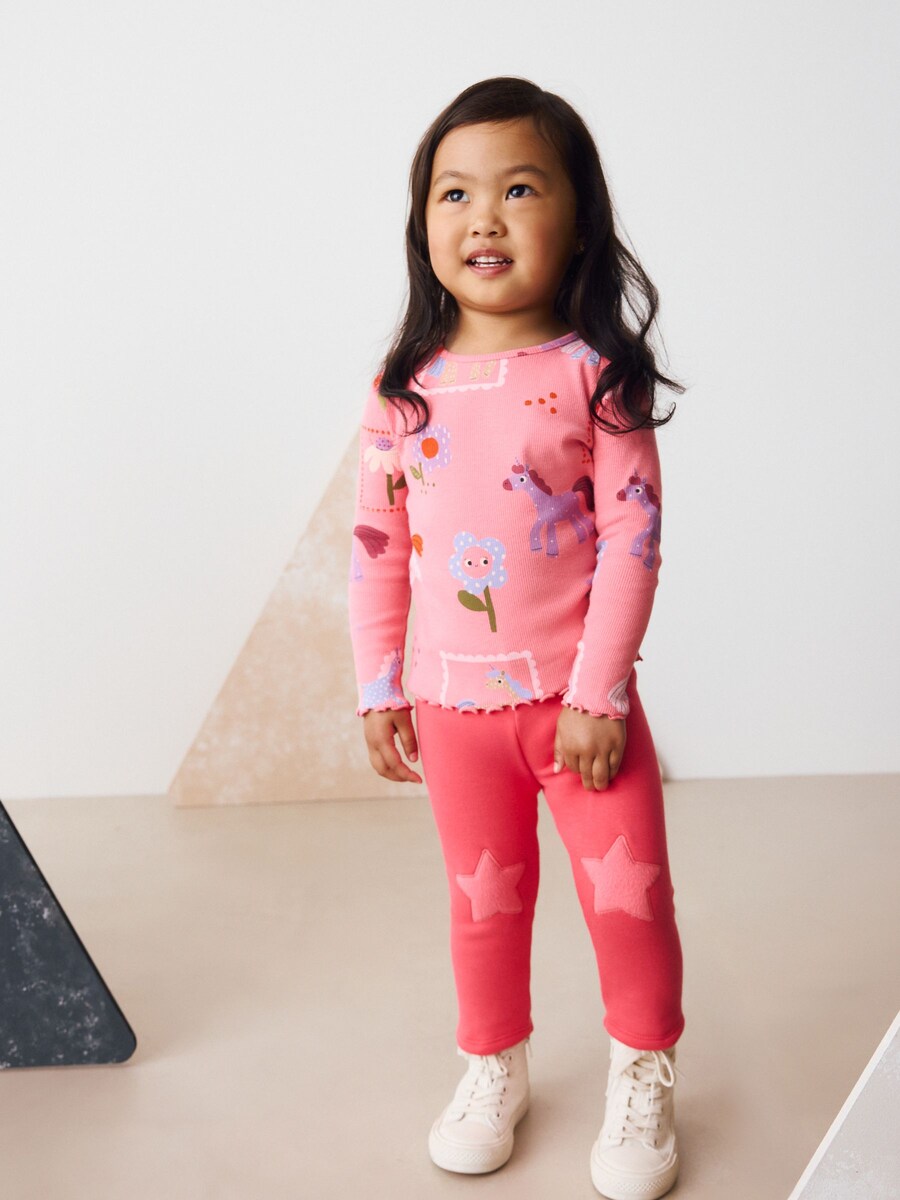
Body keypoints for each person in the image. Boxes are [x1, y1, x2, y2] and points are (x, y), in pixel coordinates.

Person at [347, 75, 688, 1200]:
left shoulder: (598, 379)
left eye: (519, 189)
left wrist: (599, 695)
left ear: (579, 219)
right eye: (454, 193)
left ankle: (643, 1068)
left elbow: (633, 543)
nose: (483, 217)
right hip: (451, 709)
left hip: (579, 713)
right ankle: (493, 1064)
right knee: (482, 906)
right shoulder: (404, 390)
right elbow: (377, 551)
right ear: (423, 222)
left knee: (628, 897)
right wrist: (379, 687)